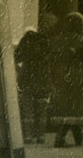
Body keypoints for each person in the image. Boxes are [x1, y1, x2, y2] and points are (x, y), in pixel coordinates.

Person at [48, 12, 83, 148]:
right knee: (75, 108)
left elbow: (51, 60)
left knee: (65, 106)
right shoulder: (82, 41)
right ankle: (60, 138)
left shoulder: (56, 40)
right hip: (76, 77)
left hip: (60, 77)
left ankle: (78, 137)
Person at [13, 13, 58, 143]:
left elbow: (17, 57)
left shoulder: (25, 41)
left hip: (27, 80)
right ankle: (40, 136)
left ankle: (28, 136)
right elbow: (52, 61)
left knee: (28, 110)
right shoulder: (45, 42)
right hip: (43, 81)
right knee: (41, 110)